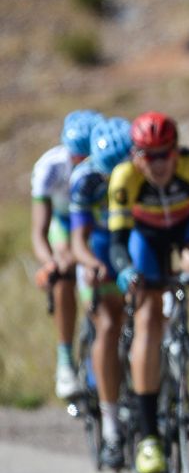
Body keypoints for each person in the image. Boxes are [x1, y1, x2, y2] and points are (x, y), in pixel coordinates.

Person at [108, 111, 189, 473]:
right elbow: (117, 241)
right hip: (146, 237)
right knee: (148, 318)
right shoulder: (124, 179)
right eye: (148, 155)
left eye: (164, 154)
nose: (157, 164)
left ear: (176, 151)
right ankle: (149, 438)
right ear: (135, 156)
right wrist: (126, 271)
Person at [68, 116, 132, 469]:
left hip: (132, 245)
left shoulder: (141, 174)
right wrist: (91, 263)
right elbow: (78, 239)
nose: (112, 182)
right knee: (107, 325)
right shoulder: (85, 180)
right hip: (99, 249)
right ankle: (111, 427)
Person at [33, 109, 102, 400]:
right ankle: (64, 362)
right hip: (63, 224)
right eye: (76, 157)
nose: (80, 165)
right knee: (64, 269)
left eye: (86, 159)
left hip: (94, 223)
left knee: (96, 285)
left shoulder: (106, 164)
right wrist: (50, 263)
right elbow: (39, 230)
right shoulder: (49, 167)